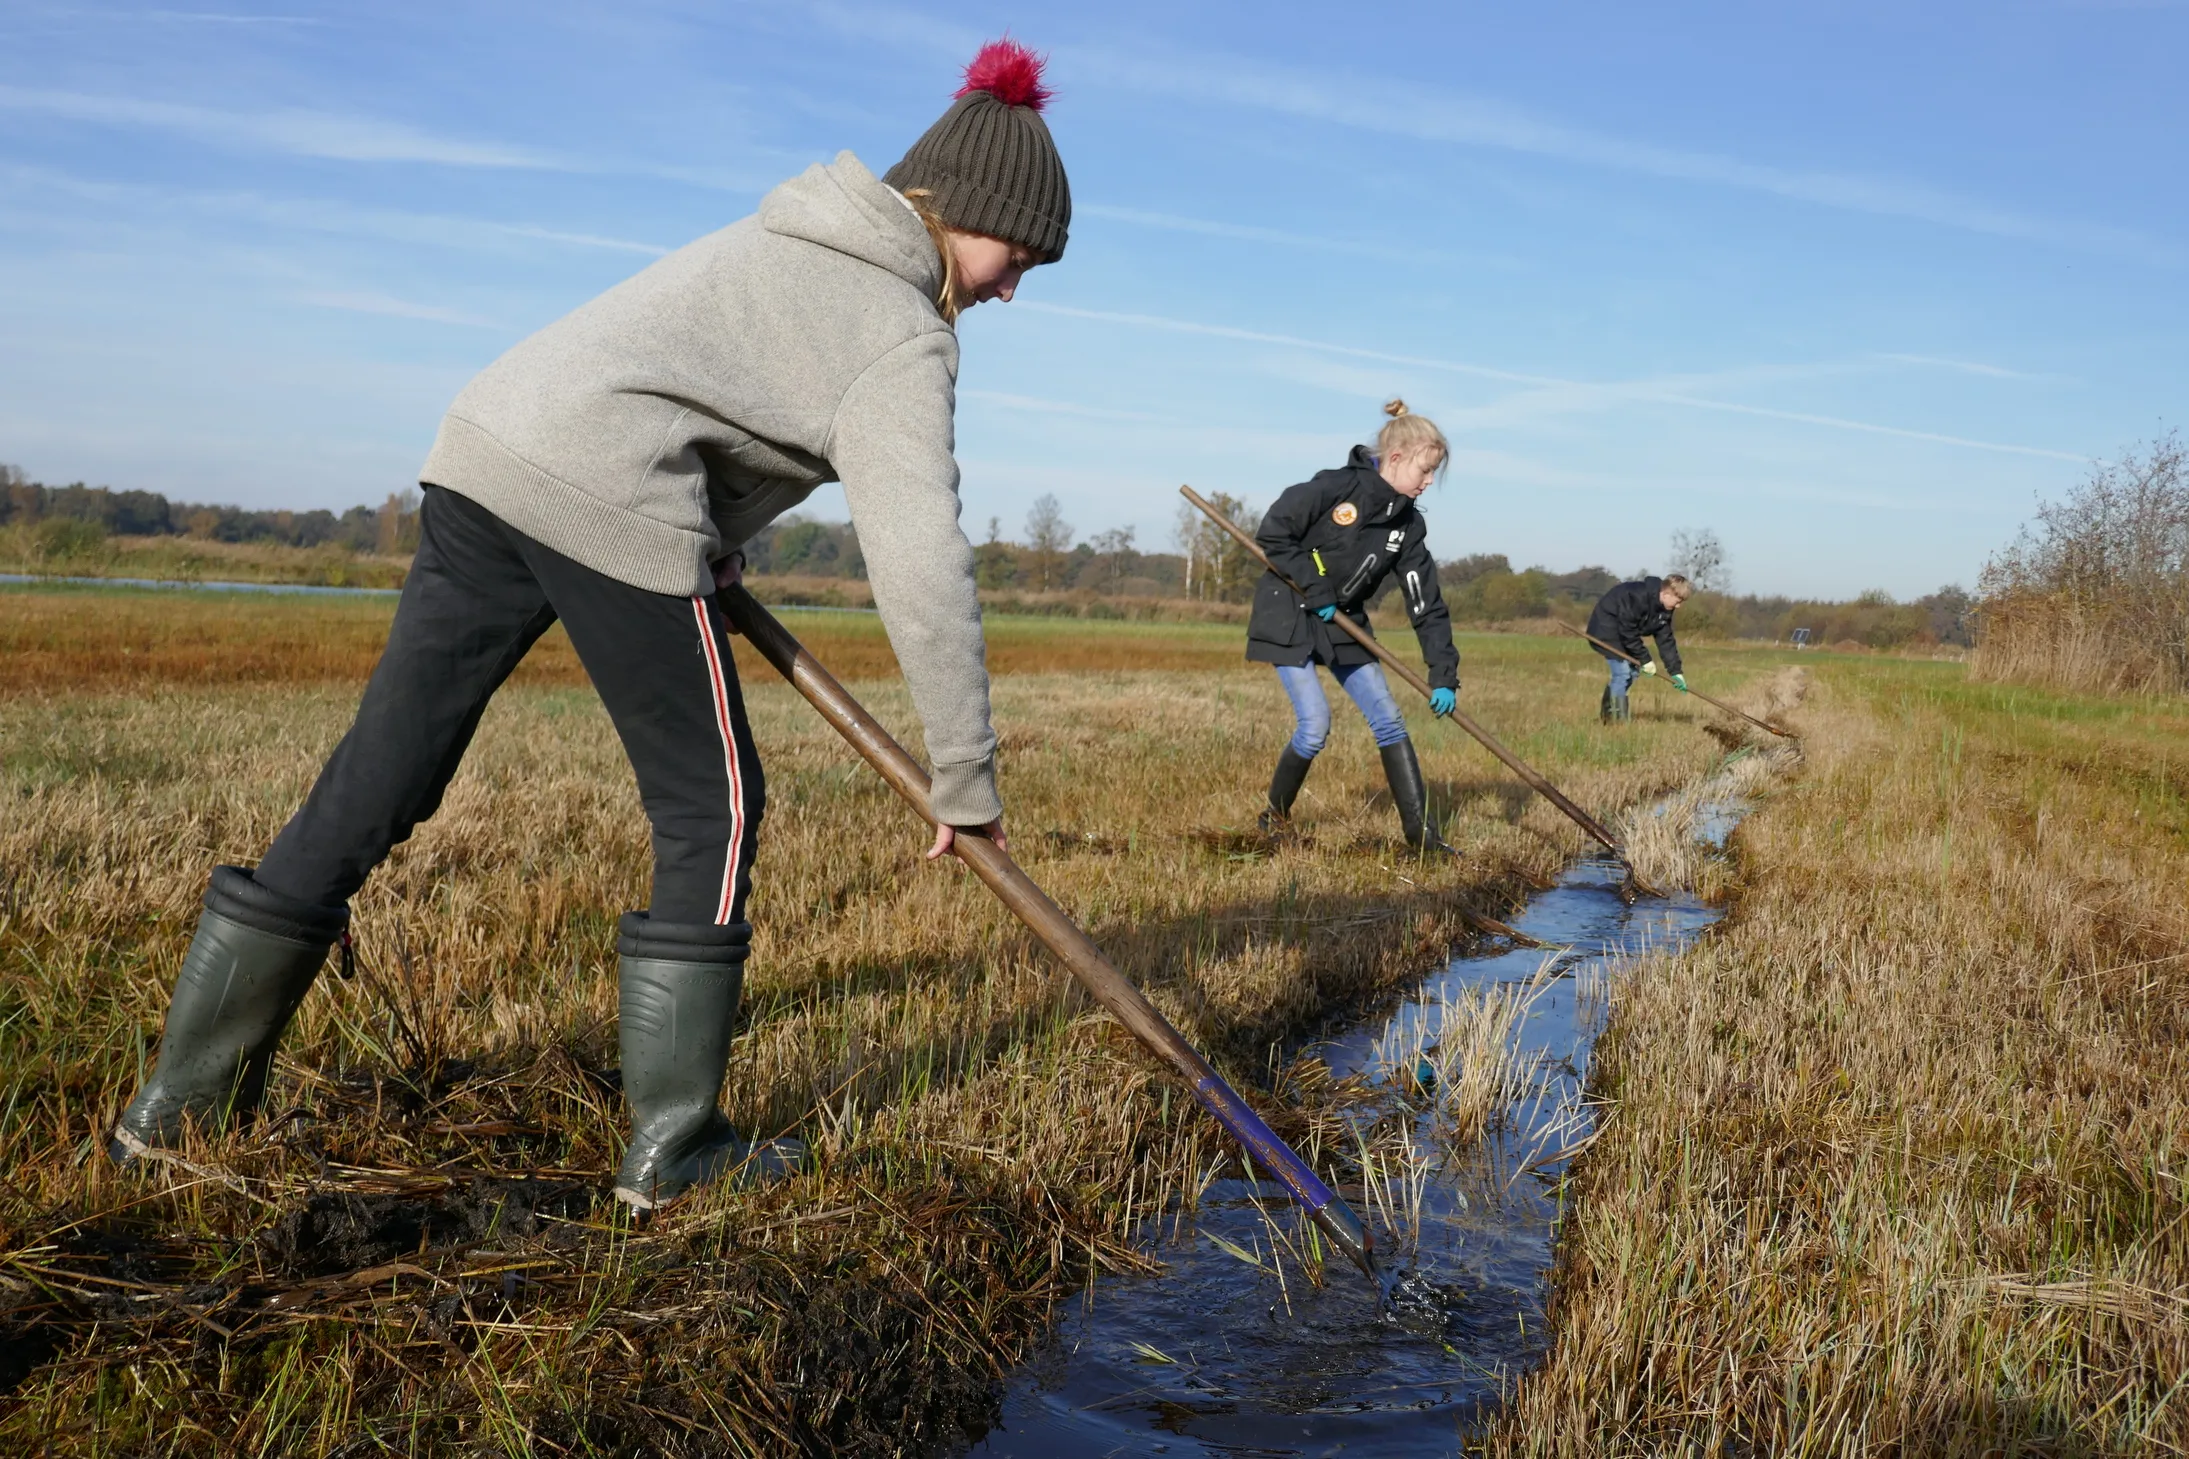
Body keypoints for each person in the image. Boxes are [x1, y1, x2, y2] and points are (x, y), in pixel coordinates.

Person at [109, 41, 1071, 1210]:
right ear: (961, 210)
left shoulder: (788, 233)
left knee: (384, 772)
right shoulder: (896, 327)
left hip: (485, 453)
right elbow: (920, 554)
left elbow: (692, 391)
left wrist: (709, 537)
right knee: (711, 802)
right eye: (1015, 255)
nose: (1012, 286)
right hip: (599, 490)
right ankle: (676, 1154)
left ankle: (175, 1113)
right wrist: (964, 776)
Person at [1247, 401, 1461, 857]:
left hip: (1344, 621)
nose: (1428, 483)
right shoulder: (1334, 487)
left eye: (1434, 474)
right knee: (1315, 724)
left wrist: (1443, 672)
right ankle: (1274, 819)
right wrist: (1314, 587)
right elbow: (1274, 533)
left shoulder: (1407, 527)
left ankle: (1420, 837)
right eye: (1424, 471)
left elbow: (1425, 601)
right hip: (1290, 611)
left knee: (1388, 718)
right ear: (1397, 457)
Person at [1587, 574, 1692, 722]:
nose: (1679, 605)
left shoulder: (1664, 609)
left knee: (1633, 672)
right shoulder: (1637, 597)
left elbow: (1665, 639)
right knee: (1622, 673)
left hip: (1624, 634)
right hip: (1605, 629)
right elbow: (1627, 631)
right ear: (1666, 594)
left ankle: (1608, 710)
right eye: (1678, 601)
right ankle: (1617, 720)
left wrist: (1676, 672)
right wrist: (1645, 659)